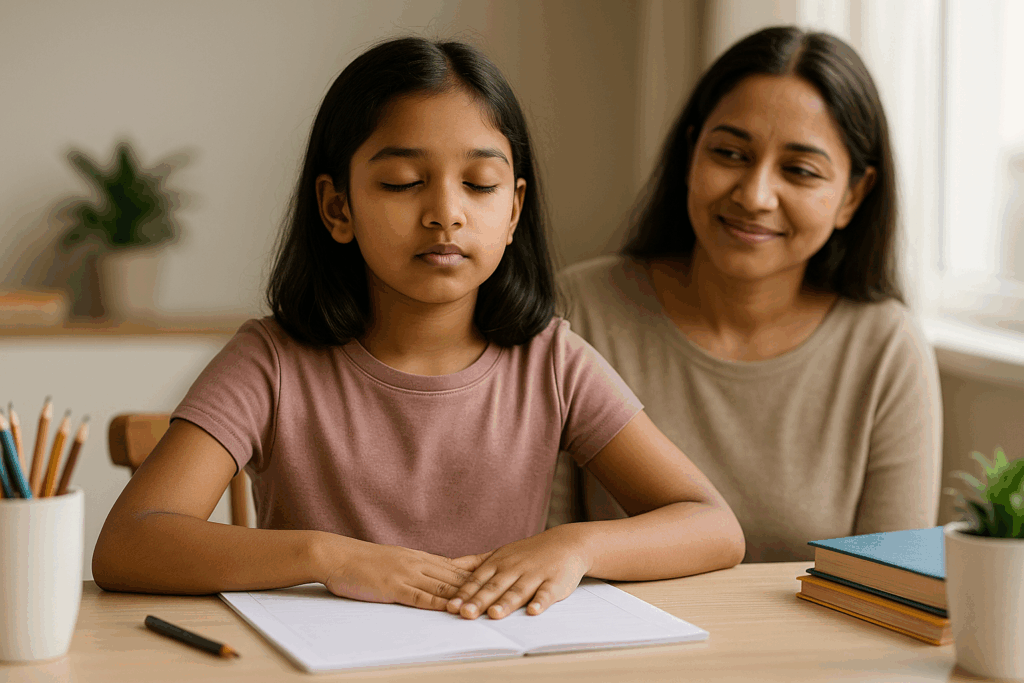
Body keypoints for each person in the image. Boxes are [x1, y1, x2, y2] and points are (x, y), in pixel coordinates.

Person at [92, 37, 744, 620]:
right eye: (404, 182)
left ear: (514, 209)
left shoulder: (551, 360)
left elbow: (714, 526)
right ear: (337, 207)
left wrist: (575, 543)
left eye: (480, 184)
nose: (445, 214)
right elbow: (129, 542)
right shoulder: (272, 360)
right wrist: (330, 557)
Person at [546, 26, 942, 562]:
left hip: (818, 650)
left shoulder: (885, 348)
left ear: (853, 196)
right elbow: (540, 551)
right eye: (730, 153)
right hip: (611, 646)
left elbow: (893, 587)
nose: (754, 195)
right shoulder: (580, 310)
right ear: (692, 153)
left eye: (799, 171)